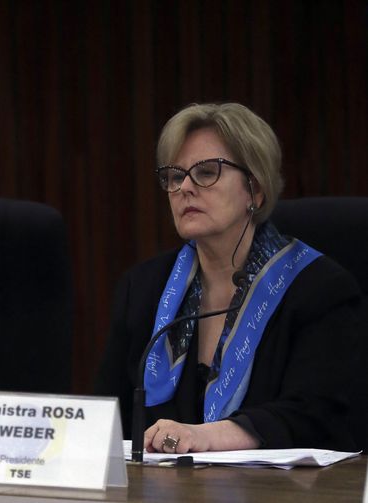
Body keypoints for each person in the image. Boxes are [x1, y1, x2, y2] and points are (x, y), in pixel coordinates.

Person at [95, 103, 361, 453]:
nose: (185, 188)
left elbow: (313, 414)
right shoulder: (143, 289)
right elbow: (105, 418)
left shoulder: (319, 289)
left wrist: (206, 437)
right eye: (175, 176)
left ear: (256, 188)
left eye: (206, 173)